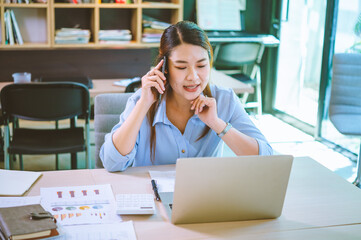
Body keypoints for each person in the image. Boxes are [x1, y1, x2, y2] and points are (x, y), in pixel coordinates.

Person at [100, 21, 273, 172]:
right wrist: (143, 105)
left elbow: (266, 160)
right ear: (164, 68)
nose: (193, 77)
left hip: (202, 202)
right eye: (181, 67)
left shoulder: (225, 99)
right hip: (153, 200)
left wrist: (217, 124)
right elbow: (111, 162)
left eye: (201, 65)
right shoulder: (141, 100)